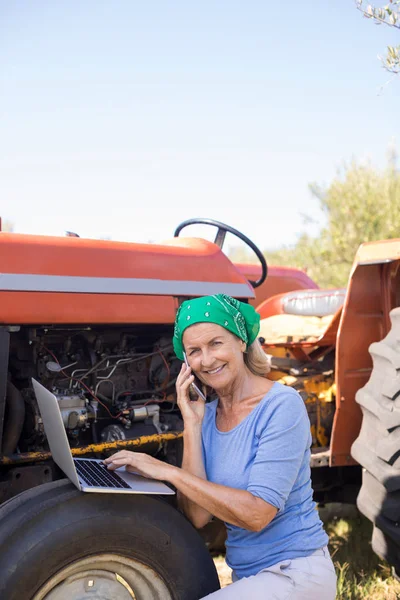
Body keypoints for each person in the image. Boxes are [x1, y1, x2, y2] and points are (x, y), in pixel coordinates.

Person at [105, 294, 337, 599]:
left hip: (297, 573)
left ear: (241, 341)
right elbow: (199, 516)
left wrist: (167, 472)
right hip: (250, 579)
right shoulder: (207, 416)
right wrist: (191, 424)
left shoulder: (281, 406)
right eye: (194, 351)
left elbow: (257, 515)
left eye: (216, 343)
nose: (208, 360)